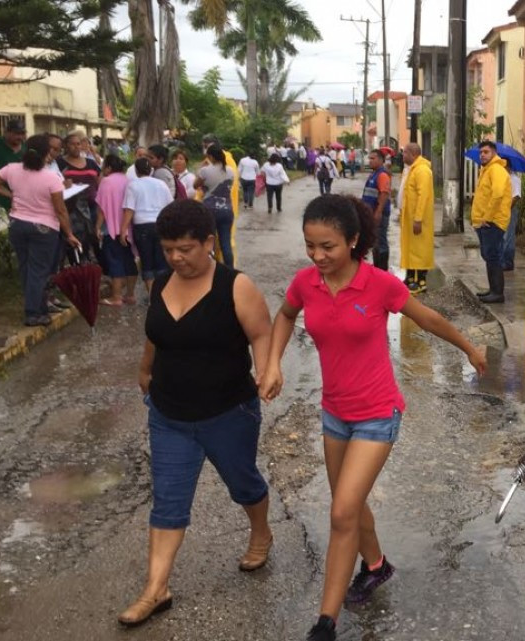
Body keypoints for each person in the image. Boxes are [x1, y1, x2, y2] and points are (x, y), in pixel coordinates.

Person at [258, 195, 486, 641]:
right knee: (352, 501)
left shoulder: (379, 284)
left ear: (354, 241)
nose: (318, 257)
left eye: (328, 247)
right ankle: (377, 566)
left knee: (341, 511)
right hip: (334, 415)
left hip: (378, 414)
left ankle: (325, 623)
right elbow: (285, 316)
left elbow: (429, 319)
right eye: (311, 246)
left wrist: (470, 348)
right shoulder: (307, 283)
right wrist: (272, 364)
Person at [118, 200, 274, 627]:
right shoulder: (161, 283)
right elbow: (156, 333)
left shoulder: (235, 286)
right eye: (168, 248)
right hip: (168, 412)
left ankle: (261, 532)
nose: (175, 257)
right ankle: (156, 589)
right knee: (168, 501)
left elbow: (261, 332)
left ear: (209, 242)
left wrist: (267, 369)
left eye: (185, 248)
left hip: (228, 410)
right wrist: (145, 369)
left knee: (243, 483)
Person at [0, 134, 82, 326]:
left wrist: (11, 195)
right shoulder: (51, 178)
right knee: (39, 272)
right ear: (46, 155)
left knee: (27, 269)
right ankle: (33, 313)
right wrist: (69, 234)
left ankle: (37, 308)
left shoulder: (11, 170)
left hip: (17, 225)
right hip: (44, 229)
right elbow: (60, 210)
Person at [122, 158, 175, 294]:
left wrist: (123, 231)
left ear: (136, 171)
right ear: (151, 170)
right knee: (161, 261)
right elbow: (170, 206)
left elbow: (129, 210)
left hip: (141, 227)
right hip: (160, 225)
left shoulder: (133, 185)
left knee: (147, 262)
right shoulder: (161, 184)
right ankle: (163, 293)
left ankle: (153, 296)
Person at [472, 141, 512, 303]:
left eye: (486, 152)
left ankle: (498, 293)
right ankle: (493, 289)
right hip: (485, 221)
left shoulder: (496, 170)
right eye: (481, 152)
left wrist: (486, 218)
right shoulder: (486, 170)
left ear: (494, 153)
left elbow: (497, 195)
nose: (482, 154)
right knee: (488, 255)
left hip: (492, 221)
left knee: (492, 256)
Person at [95, 155, 138, 306]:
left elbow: (102, 208)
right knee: (129, 260)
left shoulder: (106, 181)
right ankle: (130, 294)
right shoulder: (128, 180)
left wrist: (98, 227)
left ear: (108, 167)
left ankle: (116, 297)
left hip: (111, 228)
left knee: (115, 261)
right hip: (128, 228)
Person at [195, 145, 238, 268]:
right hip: (227, 210)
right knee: (225, 242)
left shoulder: (205, 170)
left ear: (210, 156)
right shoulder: (230, 171)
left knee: (210, 241)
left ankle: (211, 269)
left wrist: (201, 168)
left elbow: (195, 185)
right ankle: (230, 270)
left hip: (209, 210)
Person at [399, 143, 435, 293]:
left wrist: (418, 218)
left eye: (405, 153)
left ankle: (421, 281)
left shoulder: (422, 171)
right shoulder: (411, 169)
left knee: (420, 249)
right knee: (409, 248)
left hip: (417, 218)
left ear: (413, 154)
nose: (402, 155)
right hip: (408, 217)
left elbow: (423, 197)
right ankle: (410, 278)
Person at [361, 150, 392, 271]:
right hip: (371, 213)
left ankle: (382, 270)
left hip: (379, 213)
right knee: (375, 241)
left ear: (380, 160)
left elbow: (384, 193)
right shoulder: (374, 174)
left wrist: (378, 212)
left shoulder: (382, 175)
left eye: (373, 158)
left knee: (381, 240)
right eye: (369, 158)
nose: (370, 161)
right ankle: (377, 268)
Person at [501, 171, 522, 272]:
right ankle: (503, 261)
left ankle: (508, 262)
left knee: (508, 236)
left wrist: (507, 207)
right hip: (502, 210)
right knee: (503, 235)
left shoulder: (514, 179)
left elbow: (516, 196)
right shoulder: (504, 177)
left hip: (510, 209)